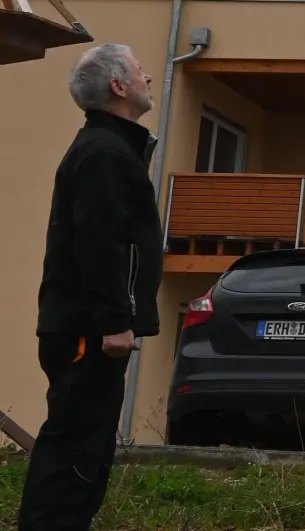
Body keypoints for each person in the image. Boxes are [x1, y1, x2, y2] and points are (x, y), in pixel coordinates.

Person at [18, 43, 164, 531]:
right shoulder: (103, 152)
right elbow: (100, 244)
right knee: (73, 452)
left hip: (87, 329)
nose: (148, 75)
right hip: (88, 333)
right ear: (119, 87)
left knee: (86, 449)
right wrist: (115, 323)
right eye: (139, 70)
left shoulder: (111, 148)